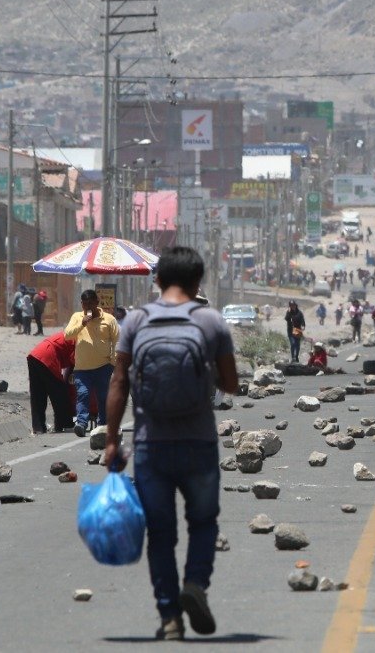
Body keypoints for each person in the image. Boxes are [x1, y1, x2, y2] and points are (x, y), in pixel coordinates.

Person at [103, 246, 238, 641]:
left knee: (160, 533)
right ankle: (195, 584)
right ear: (198, 283)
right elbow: (231, 384)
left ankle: (169, 617)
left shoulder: (137, 322)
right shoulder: (211, 321)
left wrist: (112, 441)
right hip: (198, 442)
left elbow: (118, 383)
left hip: (150, 444)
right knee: (203, 523)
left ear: (157, 280)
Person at [65, 289, 120, 437]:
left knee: (103, 396)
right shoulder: (77, 317)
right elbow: (67, 335)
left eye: (91, 303)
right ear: (81, 304)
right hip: (82, 367)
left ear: (97, 303)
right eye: (84, 304)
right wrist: (82, 324)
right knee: (83, 394)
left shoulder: (109, 319)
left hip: (103, 366)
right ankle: (81, 424)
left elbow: (117, 340)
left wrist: (113, 362)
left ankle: (102, 425)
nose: (88, 306)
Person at [26, 332, 77, 434]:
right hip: (47, 356)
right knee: (59, 392)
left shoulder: (72, 333)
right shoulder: (80, 338)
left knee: (38, 393)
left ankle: (38, 428)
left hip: (34, 355)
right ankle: (65, 424)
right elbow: (75, 361)